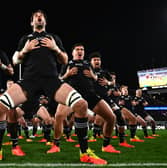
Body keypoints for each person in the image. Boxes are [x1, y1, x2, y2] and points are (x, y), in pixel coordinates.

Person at [0, 10, 106, 165]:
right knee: (1, 106)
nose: (39, 16)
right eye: (36, 16)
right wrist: (25, 50)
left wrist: (55, 48)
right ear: (32, 22)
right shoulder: (26, 39)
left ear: (45, 21)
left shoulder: (53, 38)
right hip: (29, 80)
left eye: (41, 15)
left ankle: (84, 153)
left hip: (51, 80)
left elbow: (64, 60)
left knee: (81, 105)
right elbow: (15, 60)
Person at [47, 43, 119, 159]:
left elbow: (97, 79)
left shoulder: (87, 64)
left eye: (82, 49)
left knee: (111, 117)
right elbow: (59, 79)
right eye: (77, 49)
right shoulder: (67, 64)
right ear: (73, 52)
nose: (80, 51)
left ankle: (106, 145)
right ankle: (56, 145)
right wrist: (67, 74)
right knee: (59, 116)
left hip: (89, 95)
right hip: (72, 95)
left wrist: (93, 76)